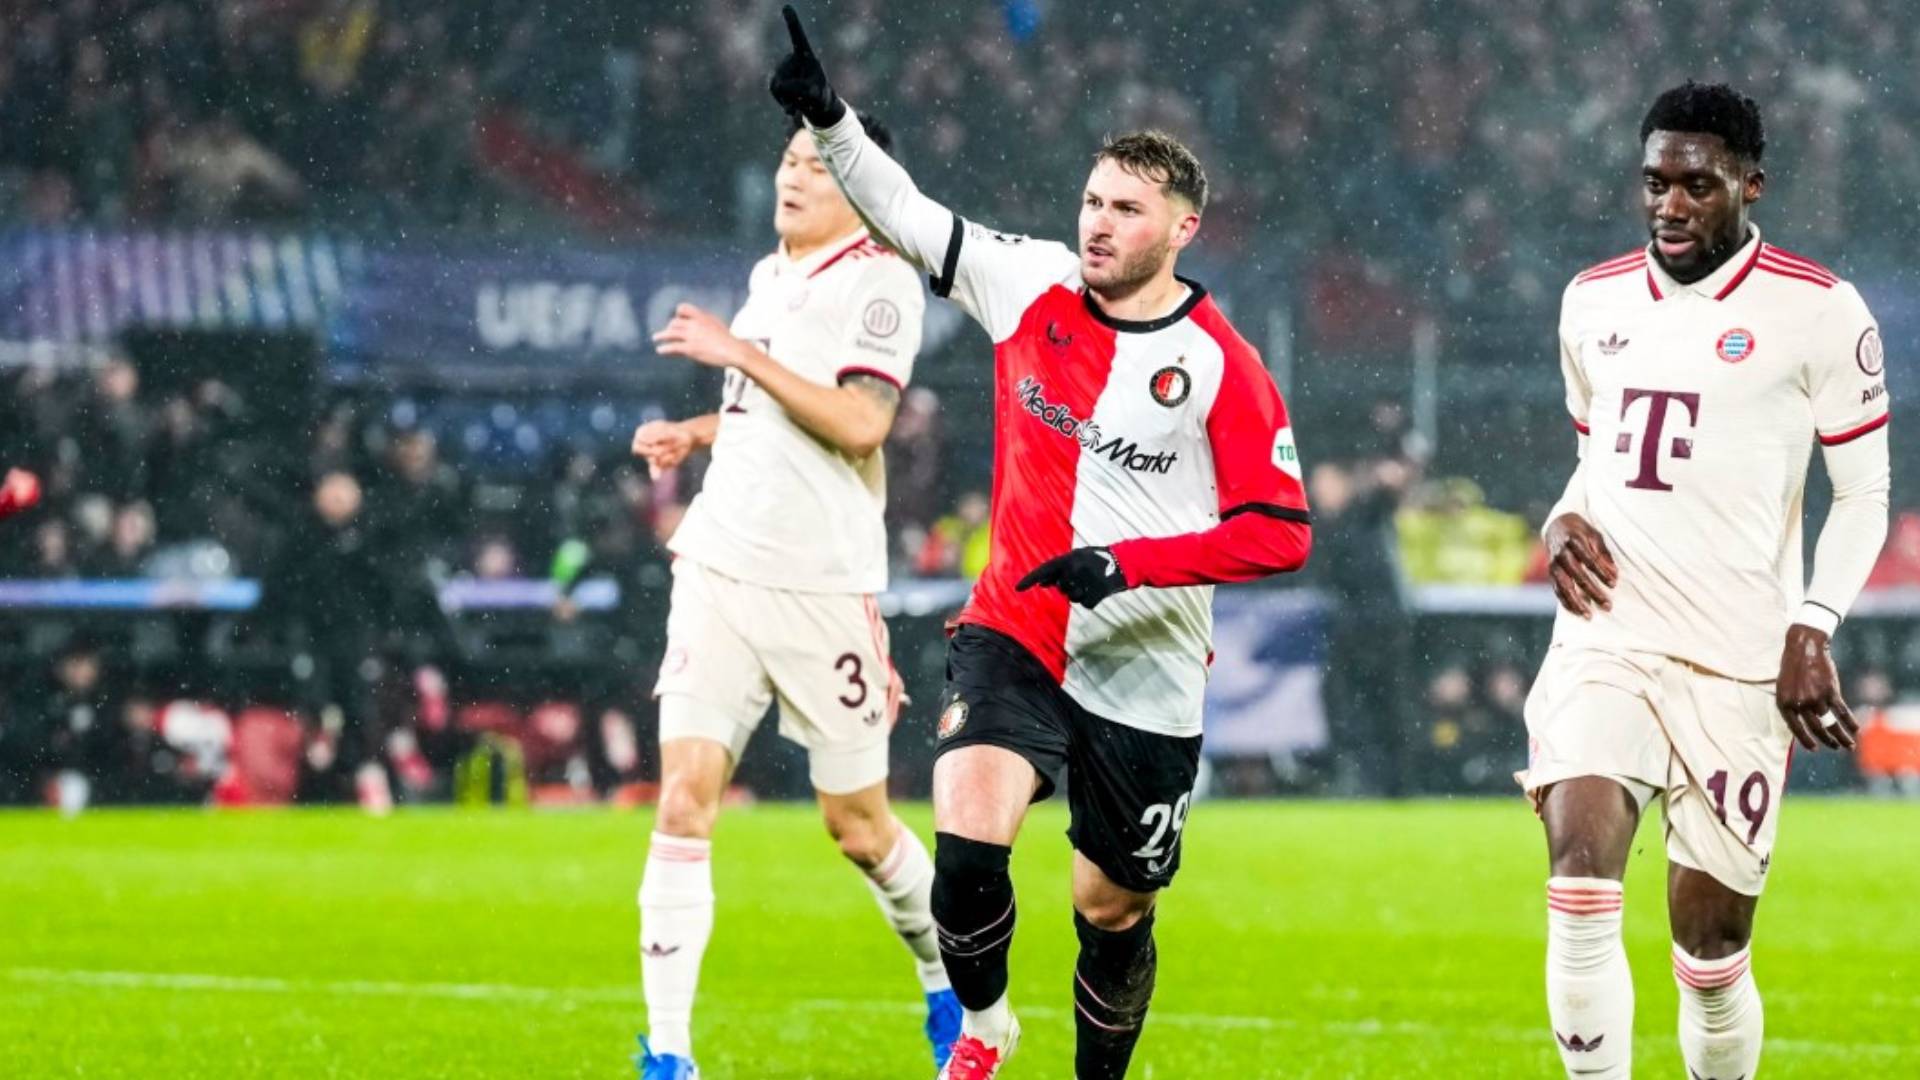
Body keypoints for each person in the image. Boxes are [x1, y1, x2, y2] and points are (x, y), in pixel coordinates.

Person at [771, 9, 1314, 1077]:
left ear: (1183, 228)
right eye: (1091, 201)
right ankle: (981, 1028)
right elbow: (908, 214)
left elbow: (1281, 533)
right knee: (968, 851)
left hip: (1147, 668)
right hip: (1016, 626)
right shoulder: (1030, 283)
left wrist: (1129, 566)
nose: (1099, 224)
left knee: (1111, 911)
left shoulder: (1219, 366)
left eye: (1126, 209)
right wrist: (831, 121)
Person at [1522, 82, 1889, 1080]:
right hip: (1610, 635)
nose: (1670, 205)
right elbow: (1598, 462)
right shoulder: (1591, 300)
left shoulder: (1819, 310)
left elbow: (1864, 495)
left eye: (1697, 184)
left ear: (1750, 185)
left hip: (1738, 661)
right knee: (1581, 878)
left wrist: (1813, 624)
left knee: (1712, 948)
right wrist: (1561, 522)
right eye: (1655, 183)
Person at [626, 108, 952, 1078]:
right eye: (787, 157)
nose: (793, 175)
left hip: (820, 589)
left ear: (859, 186)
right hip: (719, 567)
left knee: (857, 826)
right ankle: (669, 1055)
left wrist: (739, 355)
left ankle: (950, 986)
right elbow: (763, 409)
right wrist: (696, 428)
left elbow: (859, 422)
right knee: (684, 798)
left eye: (818, 163)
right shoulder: (772, 275)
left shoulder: (885, 283)